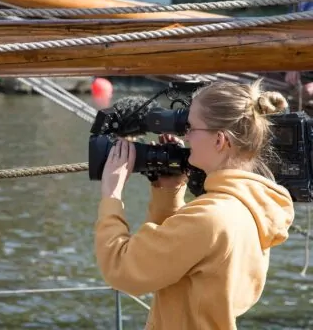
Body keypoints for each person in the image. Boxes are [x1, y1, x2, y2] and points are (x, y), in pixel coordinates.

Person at [95, 79, 295, 330]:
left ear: (219, 140)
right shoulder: (253, 208)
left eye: (191, 127)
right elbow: (174, 263)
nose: (185, 135)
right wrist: (168, 193)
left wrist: (112, 193)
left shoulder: (211, 217)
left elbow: (122, 269)